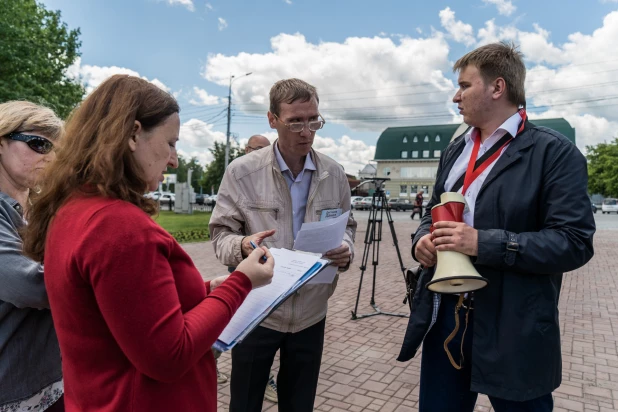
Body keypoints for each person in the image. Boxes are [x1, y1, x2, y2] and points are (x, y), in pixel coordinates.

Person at [22, 75, 274, 412]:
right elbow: (169, 355)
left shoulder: (75, 208)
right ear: (132, 134)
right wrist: (241, 282)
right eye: (170, 143)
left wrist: (207, 288)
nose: (175, 160)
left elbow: (126, 308)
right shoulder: (119, 226)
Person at [397, 42, 595, 411]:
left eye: (464, 85)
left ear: (497, 87)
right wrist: (422, 238)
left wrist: (481, 242)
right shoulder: (455, 150)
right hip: (446, 318)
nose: (456, 96)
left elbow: (574, 242)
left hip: (514, 327)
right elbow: (433, 210)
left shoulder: (554, 152)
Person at [209, 78, 357, 412]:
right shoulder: (243, 172)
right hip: (257, 311)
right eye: (295, 122)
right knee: (245, 404)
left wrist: (346, 249)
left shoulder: (333, 173)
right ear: (272, 119)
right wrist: (244, 245)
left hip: (311, 314)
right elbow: (221, 235)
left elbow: (347, 225)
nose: (306, 131)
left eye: (313, 120)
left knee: (299, 405)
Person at [0, 102, 64, 412]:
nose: (50, 157)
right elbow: (31, 286)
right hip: (11, 393)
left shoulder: (42, 214)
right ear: (1, 143)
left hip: (54, 383)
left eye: (56, 150)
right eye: (39, 143)